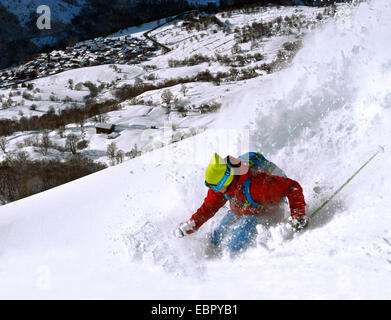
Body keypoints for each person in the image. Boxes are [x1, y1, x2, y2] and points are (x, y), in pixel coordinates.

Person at [174, 152, 308, 254]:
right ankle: (212, 254)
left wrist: (298, 215)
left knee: (239, 235)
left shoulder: (259, 185)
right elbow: (208, 208)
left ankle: (231, 262)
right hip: (240, 210)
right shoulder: (222, 188)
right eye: (211, 187)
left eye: (215, 186)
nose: (214, 190)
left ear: (226, 180)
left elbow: (292, 187)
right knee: (218, 233)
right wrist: (192, 225)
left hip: (267, 215)